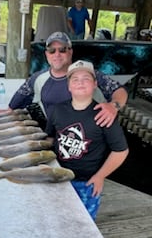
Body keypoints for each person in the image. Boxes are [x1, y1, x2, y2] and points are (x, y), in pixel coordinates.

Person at [45, 60, 129, 220]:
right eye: (75, 79)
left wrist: (100, 176)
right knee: (55, 219)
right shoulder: (56, 110)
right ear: (68, 86)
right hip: (57, 177)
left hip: (87, 183)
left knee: (84, 223)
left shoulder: (105, 114)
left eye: (86, 79)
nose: (80, 82)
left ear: (95, 84)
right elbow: (50, 138)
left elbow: (121, 151)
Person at [0, 31, 128, 129]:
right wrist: (9, 110)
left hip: (91, 139)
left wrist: (113, 106)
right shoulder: (37, 79)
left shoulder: (88, 74)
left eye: (62, 49)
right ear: (46, 54)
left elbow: (120, 90)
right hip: (57, 136)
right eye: (52, 50)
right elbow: (20, 97)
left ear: (70, 52)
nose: (57, 54)